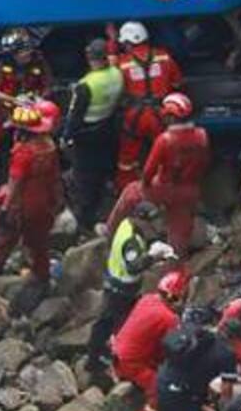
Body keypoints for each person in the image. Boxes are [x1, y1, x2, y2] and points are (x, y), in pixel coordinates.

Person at [0, 100, 63, 305]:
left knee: (0, 245)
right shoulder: (49, 147)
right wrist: (57, 201)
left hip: (21, 208)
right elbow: (56, 179)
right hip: (44, 207)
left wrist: (6, 209)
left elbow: (15, 184)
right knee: (38, 244)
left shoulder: (23, 153)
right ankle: (41, 276)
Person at [106, 92, 210, 256]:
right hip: (189, 189)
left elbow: (149, 171)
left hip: (164, 187)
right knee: (180, 227)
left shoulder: (165, 140)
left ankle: (110, 233)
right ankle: (175, 261)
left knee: (130, 193)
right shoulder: (202, 136)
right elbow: (204, 163)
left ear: (170, 117)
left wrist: (145, 185)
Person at [86, 202, 174, 372]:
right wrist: (152, 256)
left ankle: (99, 355)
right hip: (121, 289)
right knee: (115, 323)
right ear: (140, 220)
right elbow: (133, 266)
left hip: (117, 283)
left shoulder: (126, 224)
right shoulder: (130, 241)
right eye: (151, 221)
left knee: (108, 322)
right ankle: (100, 360)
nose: (154, 225)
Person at [155, 311, 238, 411]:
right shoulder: (226, 353)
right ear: (236, 338)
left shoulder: (189, 334)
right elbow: (226, 393)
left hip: (163, 381)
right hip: (184, 393)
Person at [112, 269, 189, 411]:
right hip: (131, 363)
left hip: (118, 351)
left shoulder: (147, 299)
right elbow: (174, 349)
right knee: (160, 391)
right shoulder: (169, 318)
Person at [0, 28, 53, 180]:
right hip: (6, 110)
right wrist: (14, 100)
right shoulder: (3, 65)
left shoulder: (40, 62)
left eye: (27, 50)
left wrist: (37, 99)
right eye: (21, 52)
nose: (26, 54)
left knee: (41, 144)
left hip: (32, 112)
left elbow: (48, 86)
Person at [63, 38, 124, 231]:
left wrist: (66, 137)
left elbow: (74, 116)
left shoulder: (86, 85)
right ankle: (105, 208)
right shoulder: (117, 74)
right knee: (103, 172)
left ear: (90, 59)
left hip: (86, 137)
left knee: (85, 179)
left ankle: (85, 221)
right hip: (107, 130)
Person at [114, 21, 183, 191]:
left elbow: (115, 91)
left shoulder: (121, 63)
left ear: (128, 42)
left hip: (134, 116)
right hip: (161, 113)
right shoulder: (164, 56)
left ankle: (127, 191)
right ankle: (167, 188)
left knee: (127, 160)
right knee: (166, 153)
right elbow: (177, 83)